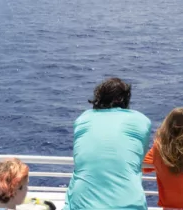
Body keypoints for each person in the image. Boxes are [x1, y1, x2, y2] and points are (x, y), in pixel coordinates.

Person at [65, 78, 152, 210]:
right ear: (126, 98)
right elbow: (139, 155)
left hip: (81, 204)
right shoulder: (141, 120)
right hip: (129, 204)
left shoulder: (83, 119)